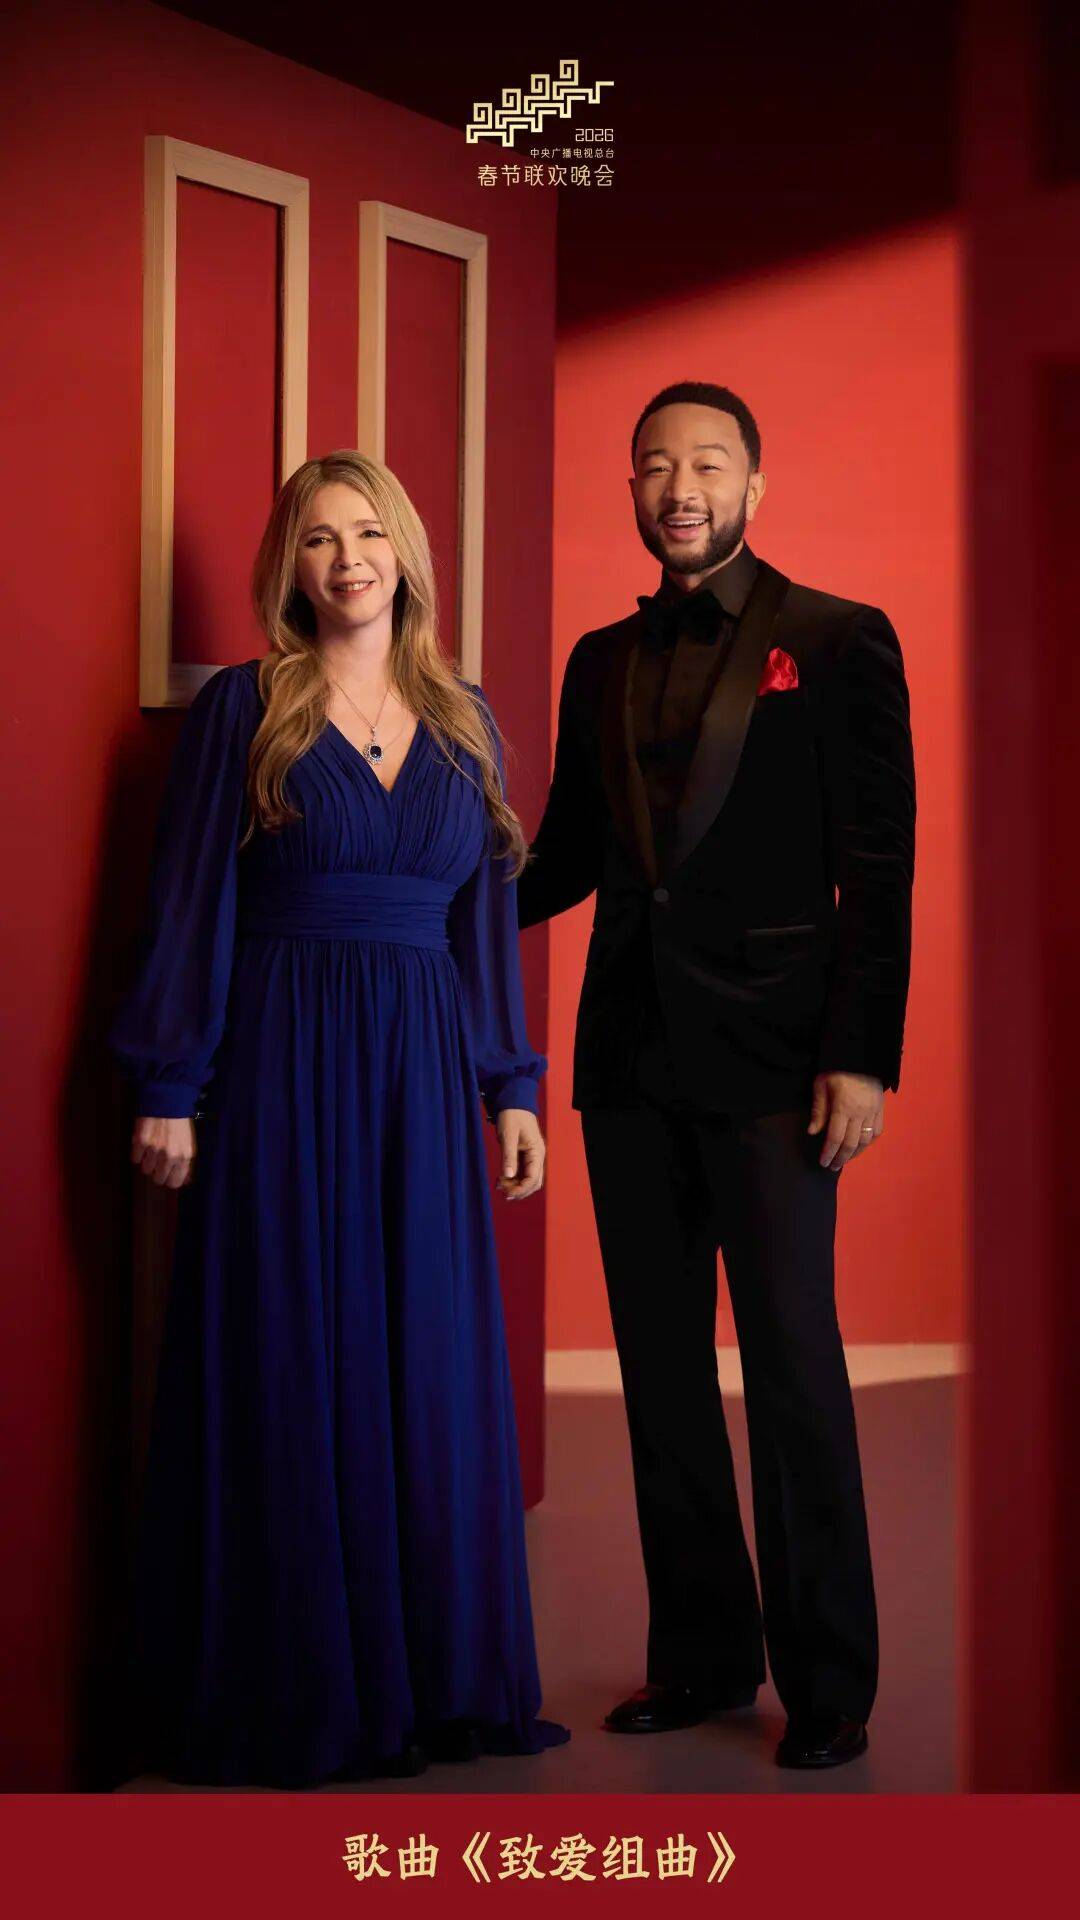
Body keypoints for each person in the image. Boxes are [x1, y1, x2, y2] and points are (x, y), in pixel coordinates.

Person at [109, 449, 569, 1788]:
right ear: (289, 568)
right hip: (281, 1062)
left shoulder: (466, 719)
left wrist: (511, 1084)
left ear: (405, 554)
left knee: (421, 1356)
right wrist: (170, 1084)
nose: (348, 560)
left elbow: (483, 926)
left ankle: (429, 1682)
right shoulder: (245, 707)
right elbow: (189, 901)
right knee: (290, 1347)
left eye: (368, 534)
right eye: (319, 540)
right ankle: (300, 1685)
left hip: (421, 1073)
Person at [516, 381, 916, 1770]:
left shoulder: (840, 639)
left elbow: (879, 869)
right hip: (630, 1057)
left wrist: (861, 1055)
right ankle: (698, 1655)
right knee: (661, 1370)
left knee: (795, 1364)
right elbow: (567, 854)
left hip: (780, 1062)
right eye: (653, 466)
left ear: (754, 484)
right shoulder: (596, 661)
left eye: (705, 464)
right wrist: (419, 888)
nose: (678, 488)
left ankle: (831, 1685)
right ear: (631, 488)